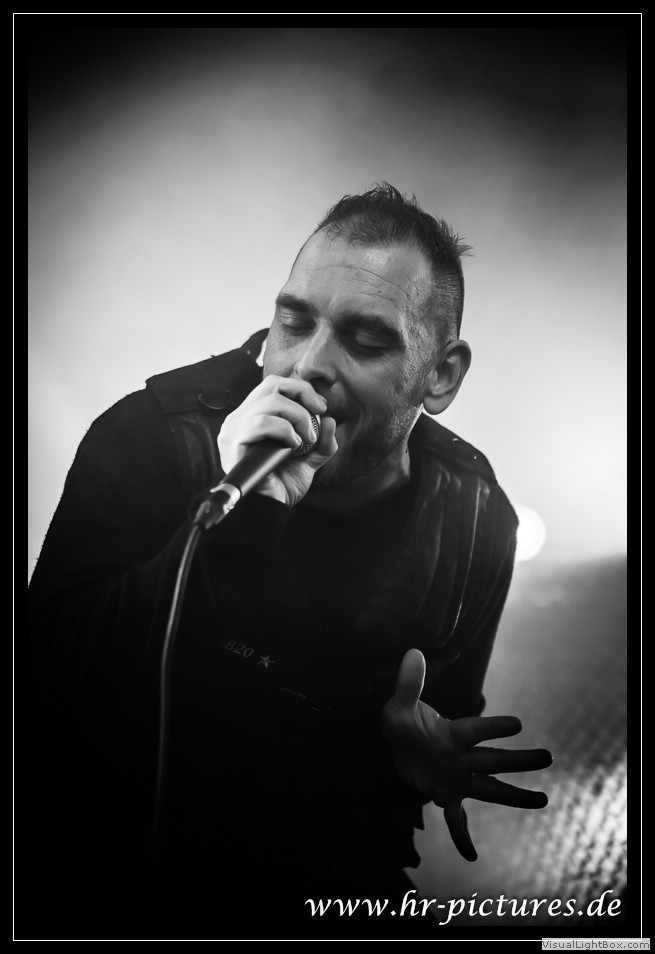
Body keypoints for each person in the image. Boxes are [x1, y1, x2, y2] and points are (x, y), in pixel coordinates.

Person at [26, 183, 552, 940]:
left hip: (326, 887)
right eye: (294, 322)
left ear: (440, 376)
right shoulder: (151, 439)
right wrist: (239, 517)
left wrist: (407, 759)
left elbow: (427, 728)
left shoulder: (474, 519)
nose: (307, 365)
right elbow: (48, 683)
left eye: (365, 340)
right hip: (115, 872)